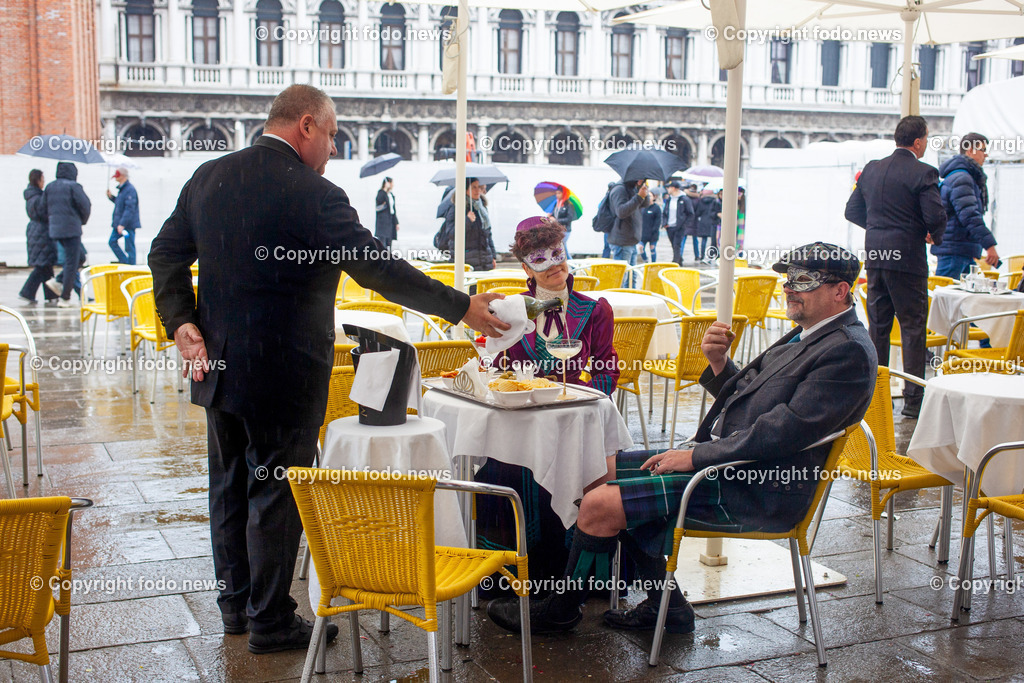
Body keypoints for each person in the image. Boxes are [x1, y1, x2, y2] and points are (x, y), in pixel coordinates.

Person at [147, 84, 509, 655]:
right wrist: (460, 305)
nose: (334, 148)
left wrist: (181, 320)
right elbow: (378, 271)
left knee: (230, 487)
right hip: (284, 374)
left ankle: (236, 608)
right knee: (276, 493)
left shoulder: (208, 176)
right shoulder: (315, 195)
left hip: (217, 367)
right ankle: (270, 621)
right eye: (334, 134)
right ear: (307, 125)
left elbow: (165, 253)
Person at [486, 242, 876, 635]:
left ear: (840, 290)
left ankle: (562, 608)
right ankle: (666, 606)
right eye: (788, 278)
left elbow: (783, 432)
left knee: (600, 502)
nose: (790, 287)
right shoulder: (811, 334)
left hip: (758, 485)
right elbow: (760, 403)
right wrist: (721, 366)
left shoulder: (847, 351)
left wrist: (695, 457)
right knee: (593, 471)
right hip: (732, 463)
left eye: (804, 280)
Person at [480, 216, 621, 593]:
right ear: (527, 267)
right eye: (541, 259)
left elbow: (607, 367)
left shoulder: (595, 310)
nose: (555, 264)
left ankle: (567, 576)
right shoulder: (510, 311)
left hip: (573, 422)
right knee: (501, 472)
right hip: (520, 421)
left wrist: (593, 401)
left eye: (559, 254)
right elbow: (490, 364)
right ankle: (511, 574)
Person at [845, 115, 946, 418]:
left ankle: (875, 397)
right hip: (908, 259)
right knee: (913, 328)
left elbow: (851, 211)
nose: (926, 144)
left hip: (876, 255)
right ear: (918, 141)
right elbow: (936, 216)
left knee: (878, 326)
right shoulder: (924, 173)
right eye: (926, 139)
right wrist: (929, 235)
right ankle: (914, 401)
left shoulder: (872, 169)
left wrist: (879, 228)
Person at [932, 133, 999, 278]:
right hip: (955, 251)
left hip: (960, 249)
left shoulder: (961, 176)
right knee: (946, 296)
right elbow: (969, 216)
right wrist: (989, 245)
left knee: (964, 297)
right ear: (970, 151)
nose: (986, 155)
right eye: (983, 150)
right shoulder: (962, 179)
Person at [42, 161, 91, 308]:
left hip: (56, 230)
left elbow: (43, 207)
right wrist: (81, 221)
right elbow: (85, 205)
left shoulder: (49, 187)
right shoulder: (74, 187)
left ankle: (58, 280)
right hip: (72, 229)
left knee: (79, 257)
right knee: (72, 262)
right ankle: (65, 298)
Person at [19, 169, 59, 306]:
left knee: (45, 266)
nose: (44, 181)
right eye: (42, 179)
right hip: (41, 233)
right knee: (42, 266)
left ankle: (51, 295)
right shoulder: (37, 197)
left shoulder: (32, 196)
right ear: (37, 180)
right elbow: (44, 212)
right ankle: (26, 292)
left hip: (37, 232)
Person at [441, 177, 496, 271]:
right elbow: (451, 233)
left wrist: (493, 256)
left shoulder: (482, 208)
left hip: (484, 260)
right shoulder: (456, 208)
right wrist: (467, 220)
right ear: (466, 189)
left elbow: (488, 234)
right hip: (466, 261)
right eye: (473, 187)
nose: (477, 190)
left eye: (479, 187)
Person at [608, 178, 647, 282]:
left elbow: (644, 204)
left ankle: (632, 297)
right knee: (622, 277)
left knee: (632, 277)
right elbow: (621, 211)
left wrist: (642, 192)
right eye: (641, 178)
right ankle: (618, 298)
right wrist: (639, 197)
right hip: (622, 240)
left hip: (632, 239)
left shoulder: (632, 188)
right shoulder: (619, 189)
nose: (641, 180)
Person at [107, 167, 141, 265]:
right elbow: (120, 204)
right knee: (112, 242)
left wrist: (122, 224)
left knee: (129, 247)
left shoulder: (129, 189)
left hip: (127, 224)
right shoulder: (123, 189)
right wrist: (111, 197)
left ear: (122, 176)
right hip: (120, 223)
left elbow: (130, 208)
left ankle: (131, 267)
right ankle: (126, 263)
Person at [662, 180, 691, 266]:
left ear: (674, 188)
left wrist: (684, 224)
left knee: (676, 245)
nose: (668, 189)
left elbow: (690, 213)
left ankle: (675, 263)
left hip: (679, 226)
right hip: (669, 226)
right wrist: (664, 223)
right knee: (673, 245)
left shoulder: (684, 199)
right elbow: (664, 212)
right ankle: (679, 259)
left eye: (669, 187)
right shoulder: (669, 199)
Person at [694, 189, 720, 263]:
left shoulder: (701, 201)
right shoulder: (715, 201)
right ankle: (712, 255)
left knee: (704, 240)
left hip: (703, 222)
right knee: (713, 241)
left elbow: (698, 212)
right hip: (712, 222)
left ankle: (702, 256)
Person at [374, 176, 399, 250]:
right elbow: (379, 201)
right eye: (392, 183)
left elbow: (393, 209)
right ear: (387, 183)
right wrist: (384, 188)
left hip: (390, 220)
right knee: (382, 242)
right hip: (383, 222)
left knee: (389, 241)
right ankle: (382, 258)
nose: (393, 185)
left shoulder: (390, 195)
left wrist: (396, 222)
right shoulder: (381, 193)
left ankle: (388, 258)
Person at [552, 187, 575, 258]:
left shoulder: (569, 204)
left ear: (563, 193)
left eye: (559, 193)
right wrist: (550, 216)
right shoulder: (557, 204)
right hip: (557, 229)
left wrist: (556, 220)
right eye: (556, 193)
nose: (557, 195)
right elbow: (554, 215)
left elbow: (569, 218)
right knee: (562, 247)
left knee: (562, 247)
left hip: (565, 229)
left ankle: (571, 264)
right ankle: (571, 264)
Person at [640, 193, 661, 263]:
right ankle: (645, 260)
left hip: (653, 233)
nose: (648, 197)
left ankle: (653, 264)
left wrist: (654, 230)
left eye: (650, 196)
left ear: (654, 197)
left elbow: (658, 222)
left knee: (652, 249)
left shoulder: (656, 208)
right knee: (640, 248)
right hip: (643, 233)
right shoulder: (642, 207)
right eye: (647, 196)